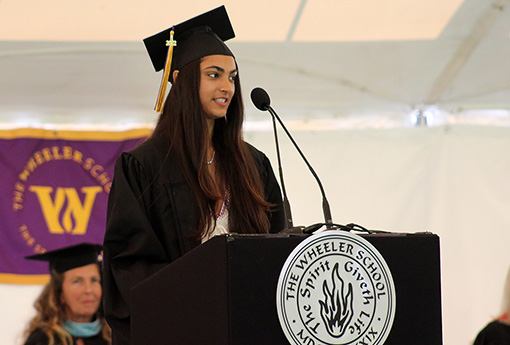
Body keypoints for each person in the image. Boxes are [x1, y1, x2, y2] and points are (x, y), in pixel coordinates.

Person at [102, 6, 284, 345]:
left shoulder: (253, 164)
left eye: (232, 76)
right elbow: (130, 265)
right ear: (180, 79)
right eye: (214, 74)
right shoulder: (144, 166)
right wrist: (200, 294)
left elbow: (278, 245)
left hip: (246, 327)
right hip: (180, 329)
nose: (227, 87)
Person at [22, 243, 111, 345]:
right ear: (60, 294)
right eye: (77, 281)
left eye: (94, 280)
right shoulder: (43, 340)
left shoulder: (115, 336)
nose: (88, 290)